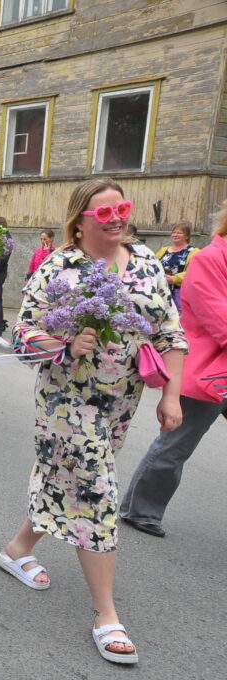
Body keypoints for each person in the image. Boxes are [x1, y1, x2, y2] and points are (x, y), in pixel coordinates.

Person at [0, 179, 187, 666]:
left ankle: (17, 548)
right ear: (80, 221)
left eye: (121, 208)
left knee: (66, 481)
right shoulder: (59, 267)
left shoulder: (145, 261)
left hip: (121, 402)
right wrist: (62, 344)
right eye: (104, 213)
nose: (116, 218)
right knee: (95, 489)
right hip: (66, 401)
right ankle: (106, 614)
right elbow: (22, 333)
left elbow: (169, 331)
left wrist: (171, 395)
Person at [120, 206, 227, 537]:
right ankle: (140, 510)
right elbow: (219, 318)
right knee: (177, 444)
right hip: (208, 369)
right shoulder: (210, 259)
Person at [154, 222, 198, 311]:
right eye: (174, 232)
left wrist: (174, 279)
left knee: (176, 316)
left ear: (187, 236)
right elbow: (152, 264)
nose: (175, 235)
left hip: (179, 292)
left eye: (179, 233)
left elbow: (195, 272)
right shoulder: (163, 250)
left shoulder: (194, 252)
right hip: (160, 289)